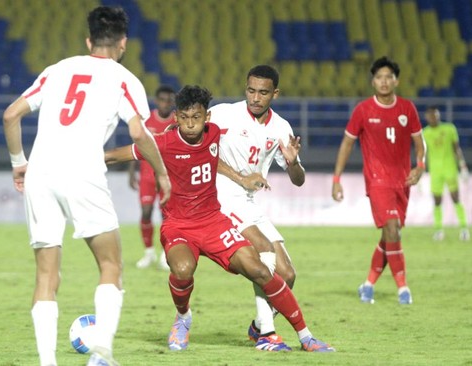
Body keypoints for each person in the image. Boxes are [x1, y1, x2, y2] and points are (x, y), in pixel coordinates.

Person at [105, 85, 334, 353]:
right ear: (176, 117)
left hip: (213, 221)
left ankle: (305, 337)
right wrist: (79, 164)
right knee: (182, 270)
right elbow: (113, 155)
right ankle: (183, 319)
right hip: (178, 225)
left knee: (261, 269)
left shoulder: (213, 134)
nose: (191, 125)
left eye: (197, 118)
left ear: (207, 118)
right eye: (185, 118)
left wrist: (242, 177)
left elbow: (213, 158)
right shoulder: (163, 143)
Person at [2, 6, 170, 366]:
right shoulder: (124, 79)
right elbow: (139, 134)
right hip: (83, 172)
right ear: (123, 42)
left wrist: (19, 165)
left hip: (41, 173)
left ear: (88, 40)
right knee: (110, 265)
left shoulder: (57, 69)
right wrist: (162, 173)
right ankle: (102, 354)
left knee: (47, 274)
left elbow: (10, 115)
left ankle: (47, 363)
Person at [210, 65, 333, 352]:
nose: (255, 97)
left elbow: (298, 181)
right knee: (264, 250)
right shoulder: (224, 114)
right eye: (251, 90)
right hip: (222, 195)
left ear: (274, 93)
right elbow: (201, 151)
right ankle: (267, 334)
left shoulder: (281, 128)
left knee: (287, 274)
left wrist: (293, 164)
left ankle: (256, 325)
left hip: (248, 201)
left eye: (263, 92)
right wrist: (241, 178)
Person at [331, 56, 425, 306]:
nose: (384, 81)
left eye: (388, 77)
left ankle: (368, 284)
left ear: (396, 81)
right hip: (377, 180)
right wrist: (337, 178)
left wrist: (421, 166)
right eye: (379, 77)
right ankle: (403, 289)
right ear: (373, 82)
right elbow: (347, 144)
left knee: (389, 235)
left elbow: (419, 142)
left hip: (402, 181)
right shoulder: (363, 110)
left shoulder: (407, 108)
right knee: (392, 229)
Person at [127, 85, 176, 270]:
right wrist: (132, 172)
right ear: (157, 101)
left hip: (167, 176)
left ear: (173, 102)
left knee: (167, 216)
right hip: (147, 174)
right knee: (146, 213)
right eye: (162, 100)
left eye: (169, 100)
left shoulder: (176, 121)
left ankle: (165, 254)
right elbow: (137, 144)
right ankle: (148, 253)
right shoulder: (146, 120)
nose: (165, 103)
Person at [423, 106, 470, 241]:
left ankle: (464, 228)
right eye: (431, 116)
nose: (434, 118)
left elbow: (457, 149)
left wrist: (463, 166)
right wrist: (421, 172)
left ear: (439, 116)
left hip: (450, 169)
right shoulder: (424, 133)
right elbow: (422, 154)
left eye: (436, 115)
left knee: (456, 198)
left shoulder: (450, 129)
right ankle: (438, 230)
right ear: (427, 117)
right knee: (437, 201)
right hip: (435, 171)